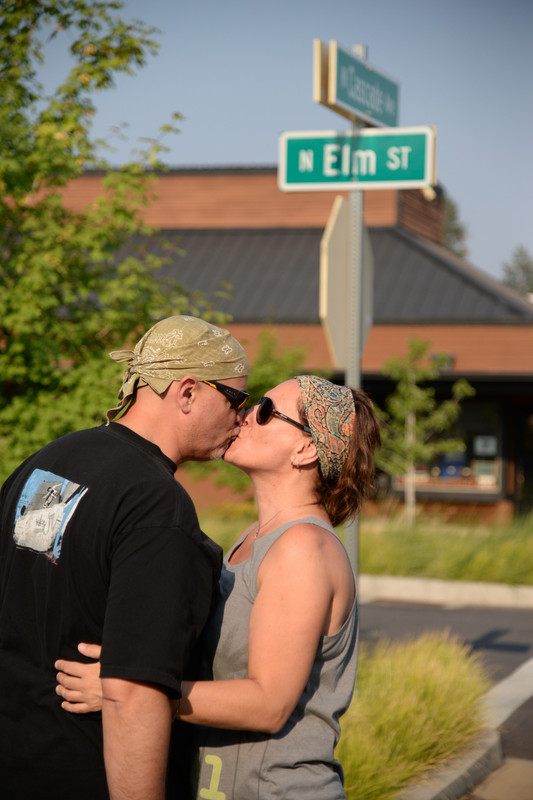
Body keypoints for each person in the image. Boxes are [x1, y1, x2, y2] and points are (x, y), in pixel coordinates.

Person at [55, 375, 381, 799]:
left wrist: (136, 691)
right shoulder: (255, 538)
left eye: (265, 410)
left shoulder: (303, 548)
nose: (243, 415)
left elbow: (269, 703)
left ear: (306, 449)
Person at [0, 315, 249, 800]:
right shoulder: (158, 507)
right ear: (189, 392)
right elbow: (134, 693)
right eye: (236, 400)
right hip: (84, 772)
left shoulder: (49, 461)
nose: (240, 418)